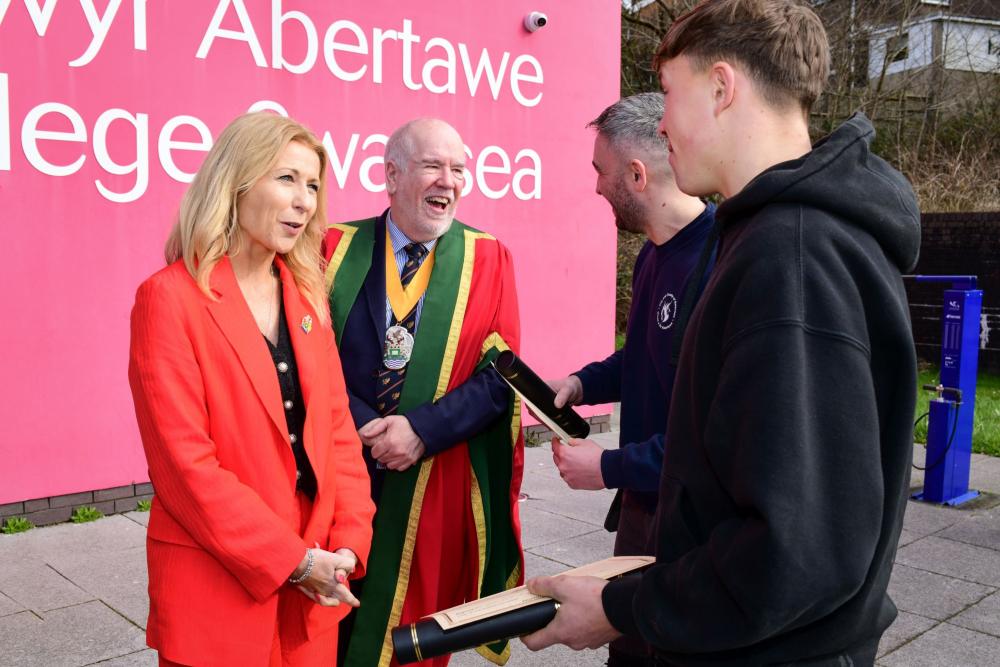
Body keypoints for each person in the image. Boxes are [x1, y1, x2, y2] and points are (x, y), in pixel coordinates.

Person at [522, 1, 921, 664]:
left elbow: (793, 553)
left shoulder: (792, 258)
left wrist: (623, 607)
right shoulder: (772, 240)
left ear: (722, 87)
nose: (664, 123)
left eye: (671, 96)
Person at [128, 112, 376, 666]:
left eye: (312, 186)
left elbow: (339, 433)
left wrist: (348, 544)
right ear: (236, 182)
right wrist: (293, 560)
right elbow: (184, 466)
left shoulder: (307, 298)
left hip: (315, 586)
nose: (305, 201)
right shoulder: (169, 299)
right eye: (286, 179)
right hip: (216, 586)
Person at [325, 118, 524, 667]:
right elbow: (308, 357)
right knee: (331, 622)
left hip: (432, 477)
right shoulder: (332, 248)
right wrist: (369, 428)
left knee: (415, 635)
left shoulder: (489, 258)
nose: (450, 181)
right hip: (342, 468)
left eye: (459, 168)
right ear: (392, 174)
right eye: (434, 166)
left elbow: (499, 378)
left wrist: (419, 431)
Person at [545, 92, 715, 666]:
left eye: (601, 170)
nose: (596, 186)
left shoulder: (719, 267)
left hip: (691, 528)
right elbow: (641, 357)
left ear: (636, 176)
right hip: (644, 511)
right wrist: (580, 383)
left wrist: (607, 468)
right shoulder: (653, 254)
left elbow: (709, 441)